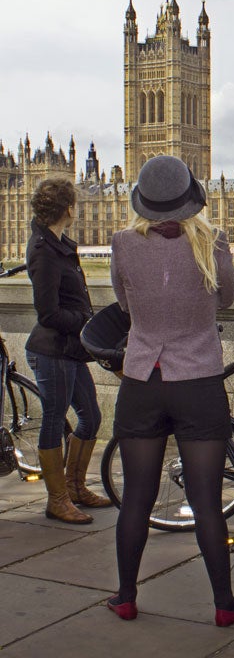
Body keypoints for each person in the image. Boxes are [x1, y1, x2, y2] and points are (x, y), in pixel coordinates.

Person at [106, 155, 234, 626]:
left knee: (137, 498)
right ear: (191, 199)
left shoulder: (123, 244)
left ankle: (126, 597)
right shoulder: (212, 242)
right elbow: (227, 297)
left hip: (142, 382)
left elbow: (123, 302)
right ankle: (224, 603)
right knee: (207, 501)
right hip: (198, 383)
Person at [25, 178, 111, 525]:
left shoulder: (59, 243)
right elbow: (47, 313)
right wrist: (84, 321)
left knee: (91, 416)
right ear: (68, 209)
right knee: (53, 417)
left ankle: (75, 487)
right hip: (52, 350)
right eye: (75, 203)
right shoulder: (44, 250)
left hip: (70, 349)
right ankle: (57, 498)